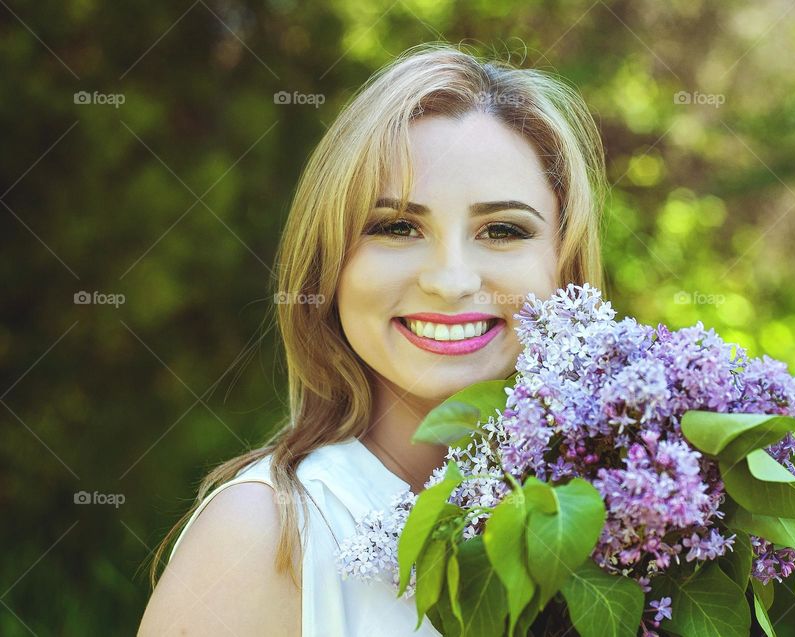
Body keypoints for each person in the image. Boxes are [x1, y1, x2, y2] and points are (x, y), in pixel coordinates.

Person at [137, 41, 607, 636]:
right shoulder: (263, 537)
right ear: (331, 264)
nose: (450, 280)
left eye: (503, 230)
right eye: (398, 226)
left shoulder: (637, 523)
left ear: (565, 268)